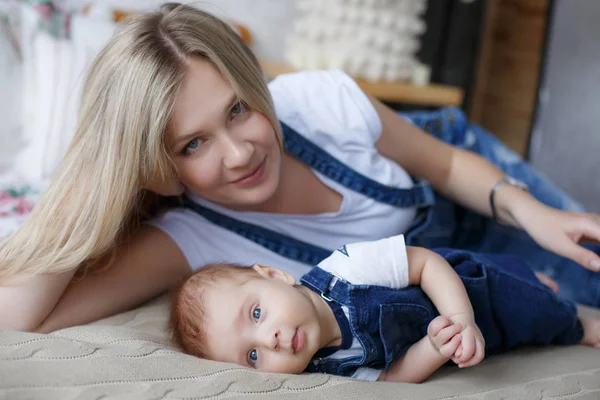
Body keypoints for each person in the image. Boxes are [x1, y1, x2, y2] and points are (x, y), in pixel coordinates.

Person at [1, 2, 600, 334]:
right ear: (157, 167)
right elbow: (18, 319)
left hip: (475, 193)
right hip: (458, 276)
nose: (239, 152)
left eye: (238, 109)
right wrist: (96, 168)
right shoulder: (189, 239)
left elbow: (443, 162)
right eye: (193, 145)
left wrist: (533, 213)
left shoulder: (318, 101)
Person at [168, 235, 600, 383]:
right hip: (452, 333)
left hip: (465, 290)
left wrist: (462, 317)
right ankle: (540, 286)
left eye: (257, 315)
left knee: (532, 306)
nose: (270, 339)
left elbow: (428, 263)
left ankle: (580, 323)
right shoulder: (331, 365)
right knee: (517, 329)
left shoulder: (344, 269)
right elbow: (394, 376)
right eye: (253, 356)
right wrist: (434, 348)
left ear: (274, 275)